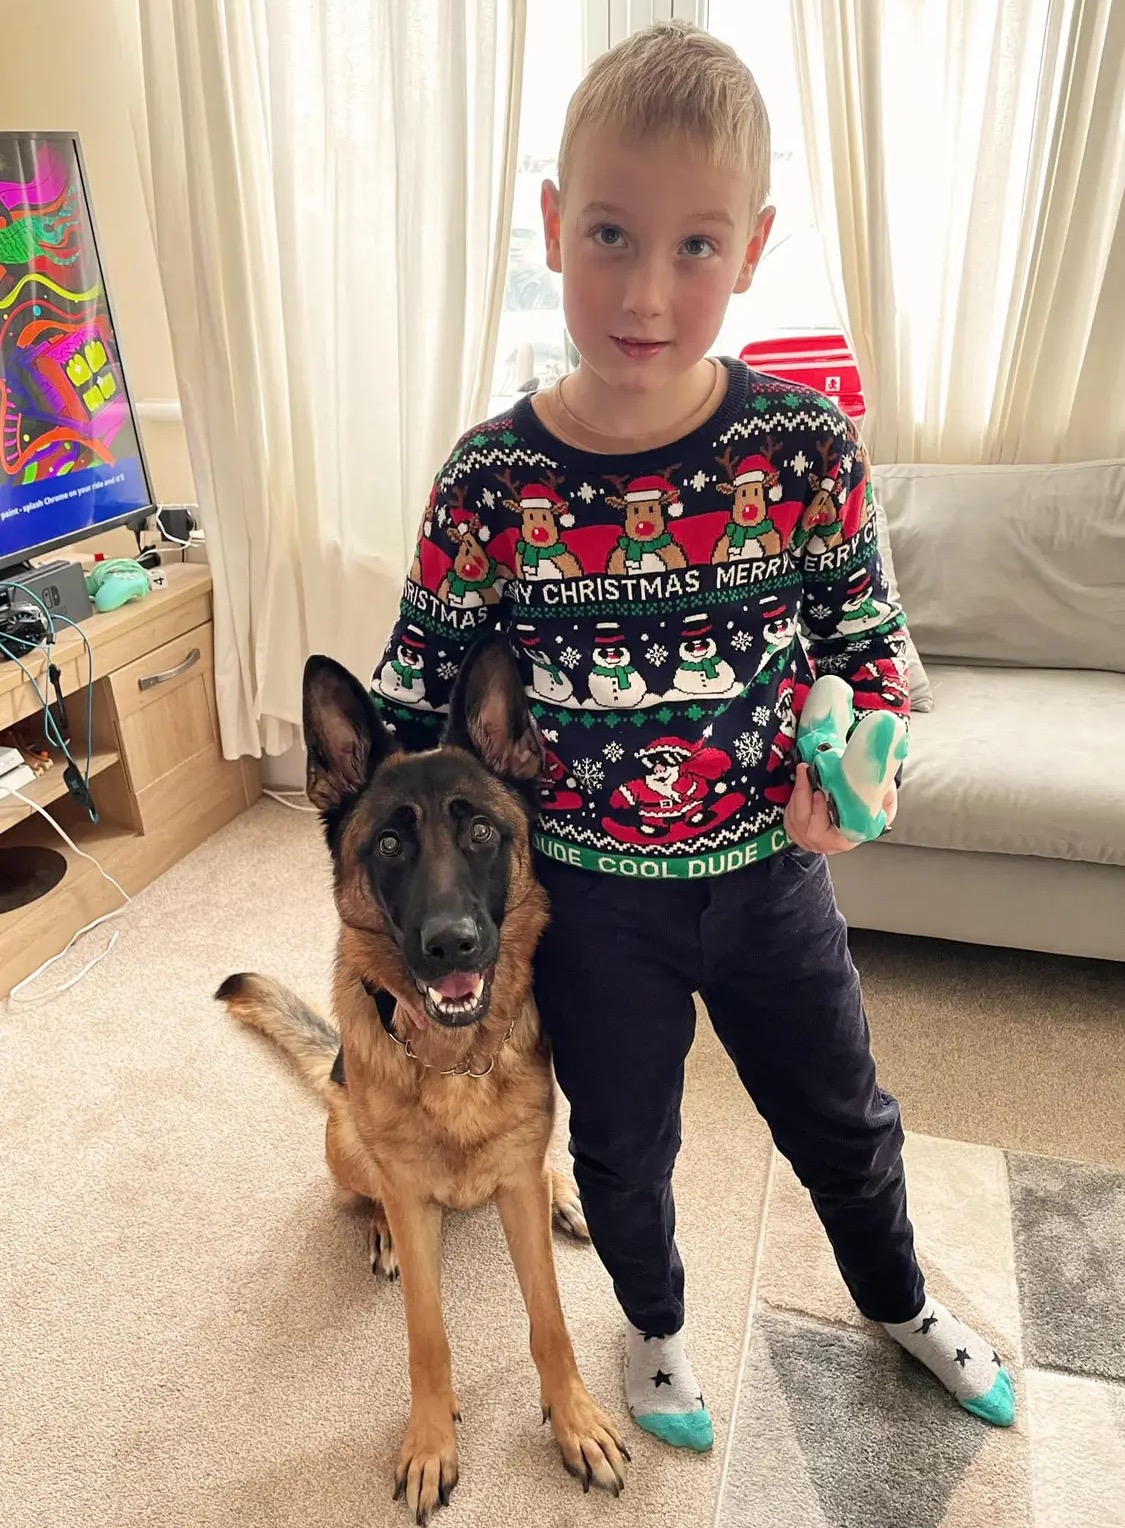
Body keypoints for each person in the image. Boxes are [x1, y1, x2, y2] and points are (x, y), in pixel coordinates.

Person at [370, 20, 1015, 1453]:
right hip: (589, 906)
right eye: (607, 233)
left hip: (771, 884)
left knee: (844, 1117)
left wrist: (860, 783)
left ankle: (898, 1298)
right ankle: (654, 1335)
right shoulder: (487, 481)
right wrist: (387, 938)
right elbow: (407, 712)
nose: (644, 291)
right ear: (550, 221)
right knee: (621, 1149)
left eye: (694, 246)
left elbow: (878, 666)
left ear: (753, 246)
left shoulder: (803, 449)